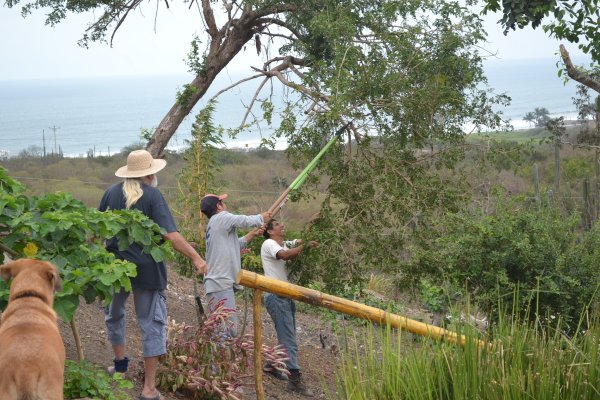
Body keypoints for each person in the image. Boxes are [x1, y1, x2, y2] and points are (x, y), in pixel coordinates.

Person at [99, 149, 207, 400]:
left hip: (114, 270)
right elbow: (171, 234)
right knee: (151, 324)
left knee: (114, 314)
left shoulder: (111, 192)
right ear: (149, 174)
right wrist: (197, 258)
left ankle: (119, 365)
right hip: (147, 270)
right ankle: (148, 389)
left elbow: (97, 228)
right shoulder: (153, 195)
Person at [260, 219, 317, 397]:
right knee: (289, 338)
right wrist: (305, 247)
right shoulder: (269, 244)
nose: (282, 226)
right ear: (269, 231)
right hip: (277, 297)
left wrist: (312, 224)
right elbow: (285, 255)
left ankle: (272, 365)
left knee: (286, 335)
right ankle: (295, 381)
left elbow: (299, 242)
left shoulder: (282, 243)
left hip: (285, 297)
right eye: (277, 225)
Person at [200, 193, 270, 337]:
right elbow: (243, 220)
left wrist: (253, 233)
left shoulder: (214, 224)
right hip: (220, 282)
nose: (226, 205)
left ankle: (218, 358)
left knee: (218, 327)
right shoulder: (222, 217)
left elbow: (235, 244)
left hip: (215, 283)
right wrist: (262, 218)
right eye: (222, 202)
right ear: (219, 206)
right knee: (227, 330)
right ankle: (223, 359)